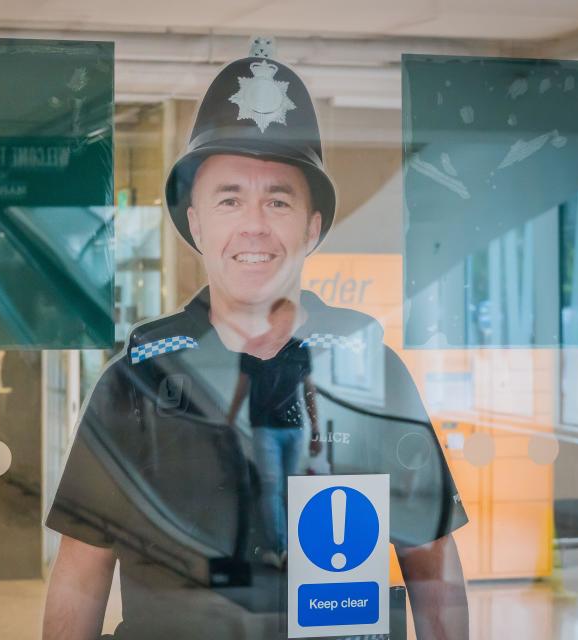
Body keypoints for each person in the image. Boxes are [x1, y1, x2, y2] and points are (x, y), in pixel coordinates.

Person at [44, 40, 469, 640]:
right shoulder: (138, 381)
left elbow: (432, 568)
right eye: (229, 199)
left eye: (277, 200)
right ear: (194, 220)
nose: (254, 225)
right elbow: (80, 575)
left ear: (312, 225)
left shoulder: (369, 372)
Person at [226, 298, 322, 569]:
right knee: (271, 485)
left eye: (290, 319)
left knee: (290, 490)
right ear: (270, 319)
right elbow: (242, 387)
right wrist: (229, 421)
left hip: (294, 428)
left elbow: (309, 389)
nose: (286, 323)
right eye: (281, 318)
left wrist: (316, 430)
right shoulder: (252, 347)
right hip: (264, 426)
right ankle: (280, 549)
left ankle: (293, 547)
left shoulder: (300, 348)